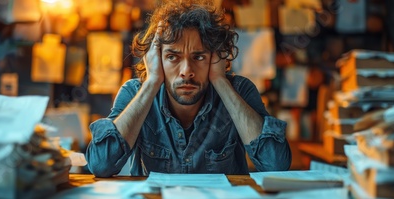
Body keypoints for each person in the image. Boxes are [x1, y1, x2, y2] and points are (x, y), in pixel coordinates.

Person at [86, 0, 291, 177]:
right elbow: (101, 165)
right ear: (156, 59)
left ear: (215, 58)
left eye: (199, 57)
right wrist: (151, 82)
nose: (186, 71)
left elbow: (276, 164)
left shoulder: (240, 91)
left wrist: (220, 80)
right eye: (172, 57)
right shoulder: (134, 93)